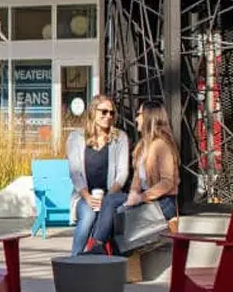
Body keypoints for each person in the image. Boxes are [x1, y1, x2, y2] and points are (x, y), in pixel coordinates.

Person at [91, 99, 180, 252]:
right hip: (145, 198)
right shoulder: (143, 146)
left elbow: (167, 183)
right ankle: (99, 246)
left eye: (139, 114)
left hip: (163, 202)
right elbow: (138, 179)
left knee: (117, 210)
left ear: (149, 117)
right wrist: (133, 193)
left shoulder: (162, 145)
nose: (136, 118)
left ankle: (100, 249)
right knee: (111, 202)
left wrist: (141, 197)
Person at [66, 95, 130, 256]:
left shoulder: (120, 138)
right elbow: (75, 173)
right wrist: (87, 197)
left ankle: (96, 255)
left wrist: (108, 198)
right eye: (104, 112)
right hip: (84, 196)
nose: (108, 116)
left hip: (110, 196)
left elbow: (123, 173)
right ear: (93, 112)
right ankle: (74, 259)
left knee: (109, 214)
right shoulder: (76, 138)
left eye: (111, 113)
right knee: (88, 214)